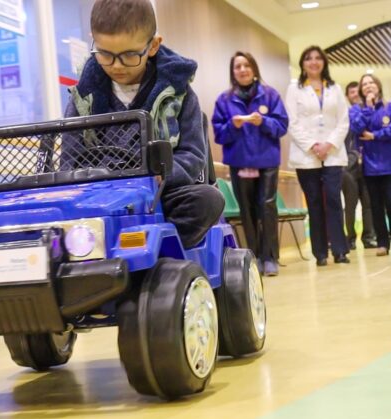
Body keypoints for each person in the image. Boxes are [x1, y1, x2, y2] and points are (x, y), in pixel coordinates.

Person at [65, 0, 224, 248]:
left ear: (153, 46)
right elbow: (69, 159)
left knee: (208, 200)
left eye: (129, 55)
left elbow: (193, 156)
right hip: (100, 201)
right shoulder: (82, 97)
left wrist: (163, 176)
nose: (116, 65)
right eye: (105, 54)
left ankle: (160, 250)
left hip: (161, 195)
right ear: (93, 41)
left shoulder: (180, 94)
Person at [212, 51, 289, 276]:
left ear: (254, 69)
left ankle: (270, 257)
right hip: (239, 163)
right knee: (247, 211)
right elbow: (218, 134)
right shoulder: (224, 100)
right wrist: (232, 126)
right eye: (238, 66)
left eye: (246, 65)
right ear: (233, 72)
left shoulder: (270, 95)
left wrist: (263, 121)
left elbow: (282, 126)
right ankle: (253, 257)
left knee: (267, 207)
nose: (243, 70)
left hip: (267, 162)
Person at [286, 46, 350, 267]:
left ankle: (340, 250)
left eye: (317, 58)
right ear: (302, 64)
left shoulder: (335, 88)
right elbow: (292, 122)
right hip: (307, 154)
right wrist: (313, 145)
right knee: (314, 203)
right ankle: (320, 253)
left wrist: (329, 144)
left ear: (324, 62)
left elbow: (343, 121)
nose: (313, 62)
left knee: (333, 199)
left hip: (332, 153)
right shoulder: (295, 88)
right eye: (308, 59)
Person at [349, 74, 391, 256]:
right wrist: (369, 108)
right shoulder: (356, 110)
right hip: (369, 165)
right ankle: (382, 242)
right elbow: (357, 127)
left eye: (371, 82)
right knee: (375, 204)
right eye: (364, 84)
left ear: (378, 86)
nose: (368, 86)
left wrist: (375, 136)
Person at [342, 81, 378, 250]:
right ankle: (349, 238)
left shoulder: (369, 111)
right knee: (350, 204)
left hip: (368, 163)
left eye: (357, 91)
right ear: (347, 96)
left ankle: (369, 237)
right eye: (351, 92)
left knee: (369, 202)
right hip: (349, 164)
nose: (355, 94)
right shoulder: (346, 114)